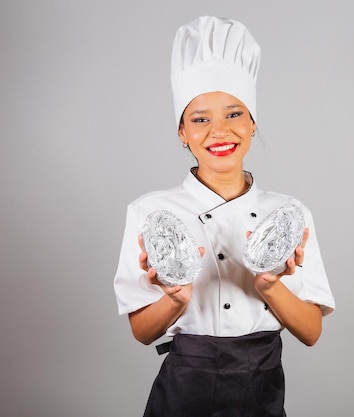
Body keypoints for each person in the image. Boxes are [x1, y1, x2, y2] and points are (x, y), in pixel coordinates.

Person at [113, 15, 335, 417]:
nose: (220, 131)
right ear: (181, 131)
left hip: (261, 384)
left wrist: (269, 286)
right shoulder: (150, 213)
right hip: (184, 386)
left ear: (252, 122)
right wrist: (176, 298)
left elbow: (311, 332)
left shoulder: (288, 215)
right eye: (200, 119)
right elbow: (142, 332)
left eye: (234, 114)